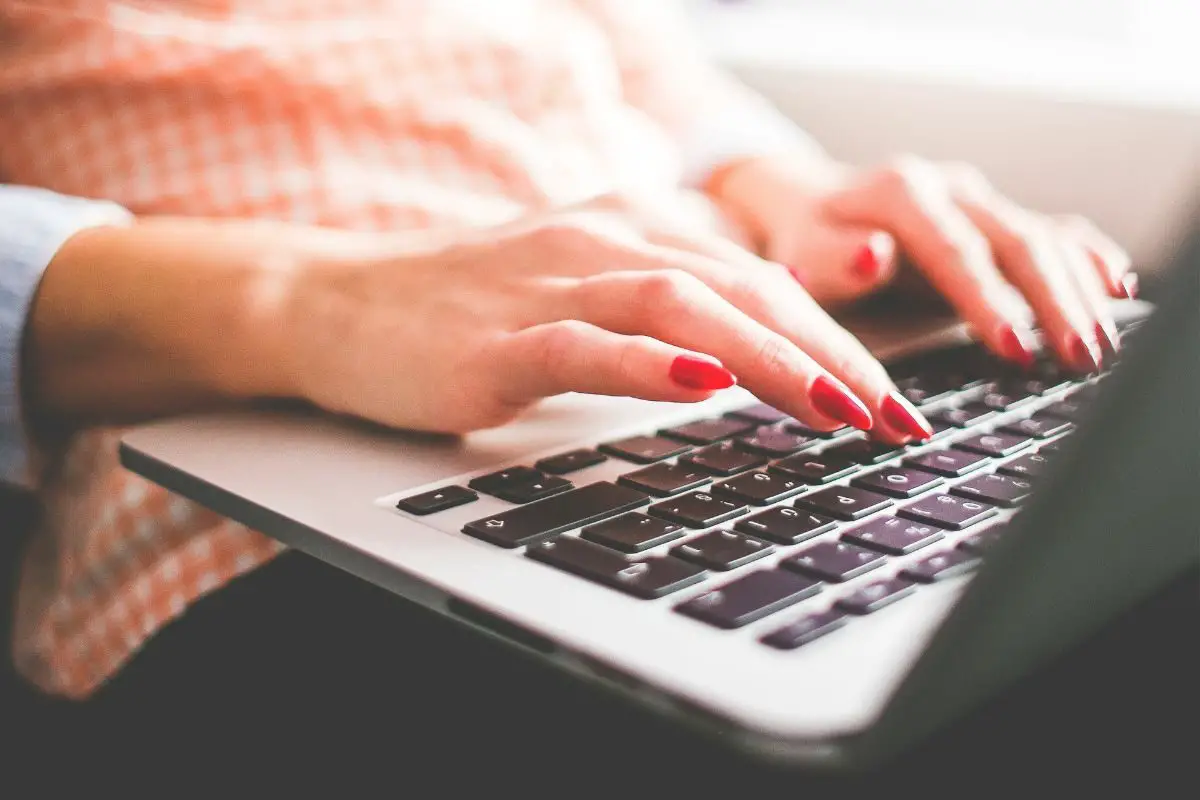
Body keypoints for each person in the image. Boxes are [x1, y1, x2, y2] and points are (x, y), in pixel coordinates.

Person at [0, 0, 1135, 777]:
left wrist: (789, 188)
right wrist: (314, 299)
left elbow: (643, 74)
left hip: (732, 375)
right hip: (266, 522)